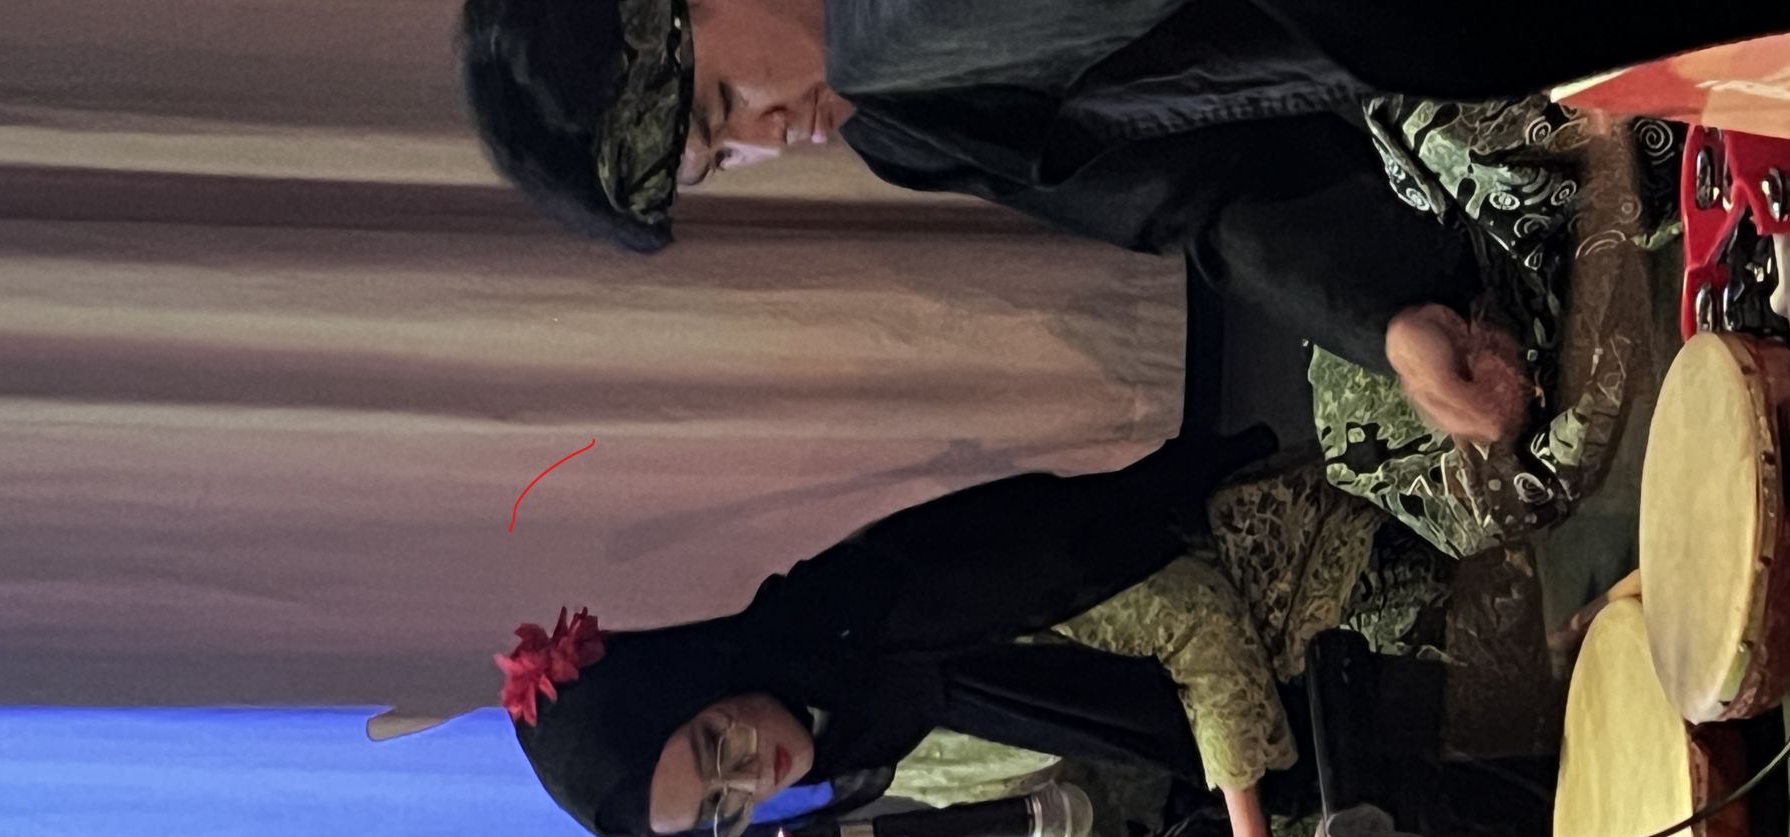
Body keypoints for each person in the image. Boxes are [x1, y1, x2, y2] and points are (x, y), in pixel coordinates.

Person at [457, 0, 1780, 451]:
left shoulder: (885, 43)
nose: (765, 133)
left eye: (719, 102)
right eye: (722, 160)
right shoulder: (893, 123)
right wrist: (1379, 320)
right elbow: (1183, 198)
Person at [496, 438, 1452, 837]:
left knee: (1427, 744)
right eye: (721, 808)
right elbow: (1050, 796)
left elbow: (1192, 613)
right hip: (1238, 719)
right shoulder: (854, 746)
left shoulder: (884, 599)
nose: (750, 775)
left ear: (699, 675)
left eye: (715, 744)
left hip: (1270, 583)